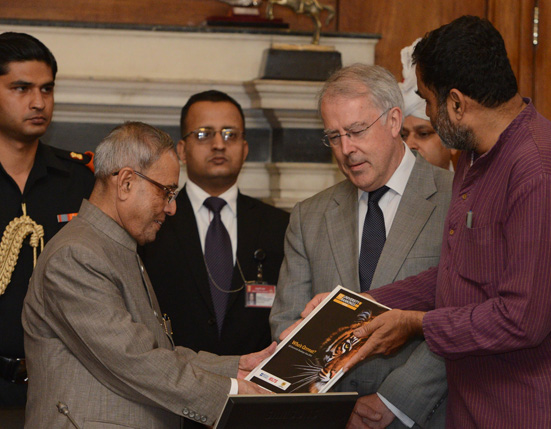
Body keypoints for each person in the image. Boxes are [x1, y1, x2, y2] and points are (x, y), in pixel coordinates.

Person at [303, 16, 551, 428]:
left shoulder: (541, 169)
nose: (423, 112)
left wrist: (413, 325)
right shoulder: (475, 156)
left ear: (457, 103)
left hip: (535, 409)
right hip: (476, 405)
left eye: (427, 100)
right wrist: (358, 305)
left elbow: (522, 319)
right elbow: (459, 274)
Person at [22, 122, 274, 428]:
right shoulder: (76, 255)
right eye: (165, 191)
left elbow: (157, 352)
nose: (171, 208)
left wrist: (236, 367)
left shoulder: (117, 247)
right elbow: (135, 361)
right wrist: (233, 392)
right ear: (126, 182)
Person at [270, 63, 453, 428]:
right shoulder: (309, 216)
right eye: (334, 137)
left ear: (394, 120)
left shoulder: (456, 200)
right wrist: (336, 404)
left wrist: (394, 400)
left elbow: (466, 318)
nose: (346, 149)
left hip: (424, 415)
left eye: (355, 131)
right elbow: (288, 324)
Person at [140, 91, 289, 360]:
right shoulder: (154, 222)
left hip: (256, 390)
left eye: (230, 134)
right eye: (204, 134)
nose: (219, 144)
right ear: (182, 151)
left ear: (245, 148)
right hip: (174, 385)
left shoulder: (280, 226)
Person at [0, 32, 95, 426]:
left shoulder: (80, 180)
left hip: (63, 392)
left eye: (47, 89)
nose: (39, 102)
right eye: (20, 88)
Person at [399, 38, 456, 170]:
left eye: (423, 134)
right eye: (403, 136)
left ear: (452, 142)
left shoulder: (471, 190)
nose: (410, 145)